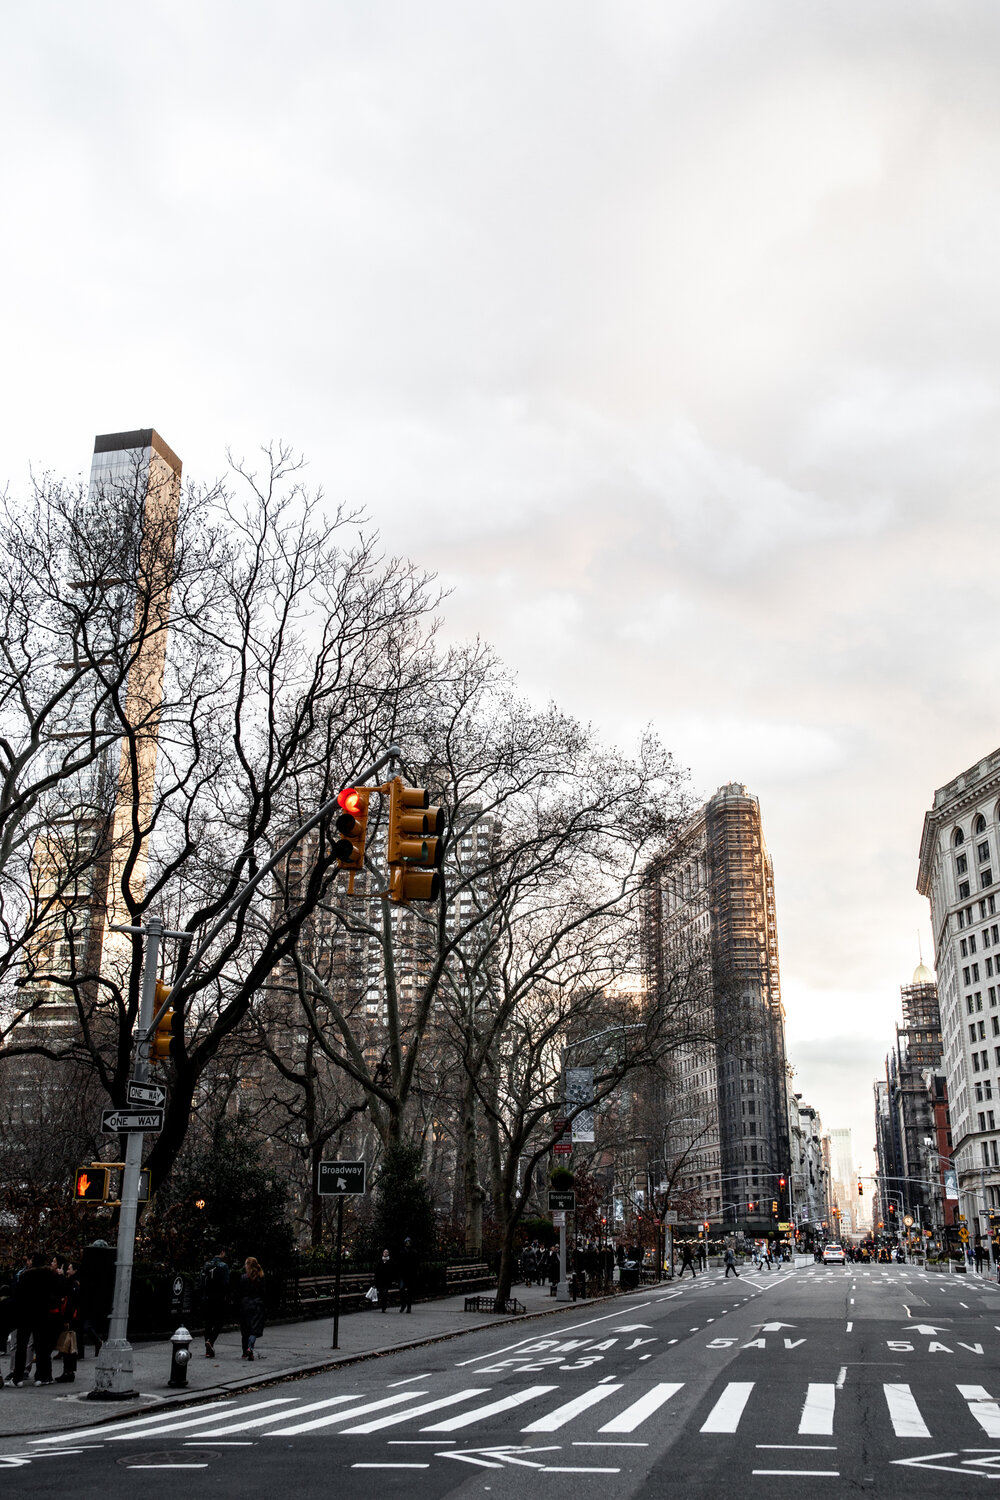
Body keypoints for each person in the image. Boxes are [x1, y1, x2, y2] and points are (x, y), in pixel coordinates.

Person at [10, 1253, 65, 1387]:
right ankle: (41, 1376)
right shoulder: (50, 1275)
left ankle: (17, 1377)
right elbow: (61, 1291)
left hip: (25, 1314)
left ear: (32, 1262)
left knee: (21, 1346)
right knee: (41, 1347)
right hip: (43, 1314)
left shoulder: (24, 1276)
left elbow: (17, 1295)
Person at [200, 1251, 231, 1358]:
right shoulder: (224, 1266)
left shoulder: (207, 1265)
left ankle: (208, 1350)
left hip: (207, 1297)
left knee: (208, 1323)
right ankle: (211, 1341)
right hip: (219, 1297)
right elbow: (226, 1283)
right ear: (222, 1253)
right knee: (219, 1321)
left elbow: (202, 1282)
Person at [54, 1260, 81, 1383]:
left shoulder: (74, 1285)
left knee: (68, 1346)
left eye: (70, 1269)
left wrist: (66, 1319)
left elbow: (70, 1302)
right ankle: (68, 1371)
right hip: (71, 1318)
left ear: (75, 1271)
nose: (68, 1271)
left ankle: (68, 1372)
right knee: (69, 1346)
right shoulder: (73, 1283)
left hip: (70, 1319)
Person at [238, 1257, 266, 1361]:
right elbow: (263, 1292)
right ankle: (250, 1347)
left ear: (248, 1265)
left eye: (246, 1264)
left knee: (245, 1329)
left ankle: (245, 1351)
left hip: (245, 1304)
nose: (244, 1266)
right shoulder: (260, 1277)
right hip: (257, 1304)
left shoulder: (243, 1277)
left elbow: (240, 1293)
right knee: (254, 1329)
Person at [398, 1237, 417, 1313]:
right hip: (403, 1274)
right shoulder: (401, 1252)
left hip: (410, 1274)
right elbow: (399, 1264)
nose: (408, 1244)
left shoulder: (414, 1252)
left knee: (409, 1291)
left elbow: (416, 1264)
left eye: (409, 1242)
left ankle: (409, 1306)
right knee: (402, 1289)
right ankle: (403, 1304)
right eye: (407, 1242)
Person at [373, 1249, 394, 1313]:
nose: (385, 1253)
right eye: (384, 1252)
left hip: (387, 1281)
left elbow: (392, 1271)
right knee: (381, 1294)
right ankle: (383, 1305)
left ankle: (384, 1307)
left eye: (387, 1252)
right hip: (380, 1281)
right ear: (383, 1253)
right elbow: (377, 1272)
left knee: (385, 1293)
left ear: (388, 1253)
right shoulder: (380, 1261)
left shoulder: (390, 1262)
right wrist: (375, 1281)